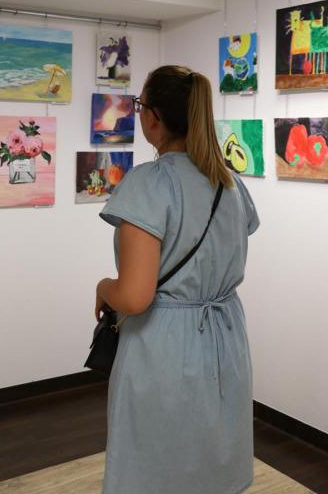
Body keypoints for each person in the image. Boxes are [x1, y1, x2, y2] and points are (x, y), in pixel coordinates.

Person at [96, 66, 259, 494]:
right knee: (213, 462)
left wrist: (103, 287)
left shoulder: (149, 184)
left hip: (164, 346)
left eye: (139, 106)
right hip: (227, 339)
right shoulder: (229, 183)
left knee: (156, 468)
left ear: (153, 118)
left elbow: (134, 296)